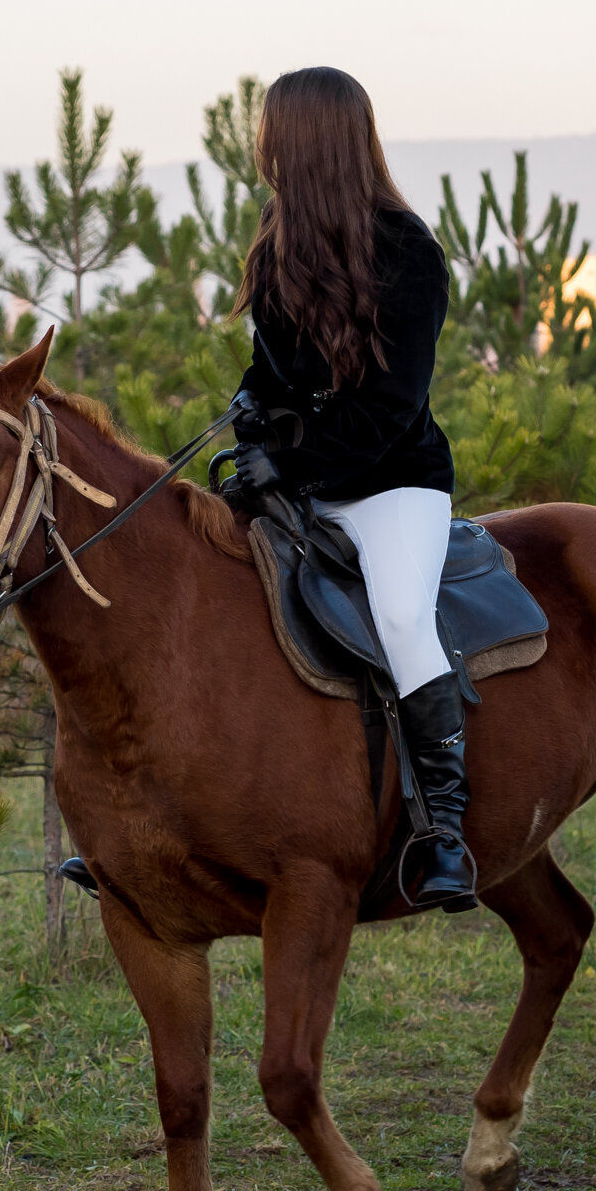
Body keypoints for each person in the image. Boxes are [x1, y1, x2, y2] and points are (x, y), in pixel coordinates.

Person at [219, 66, 475, 914]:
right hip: (304, 481)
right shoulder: (278, 239)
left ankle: (445, 831)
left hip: (392, 485)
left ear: (306, 143)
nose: (262, 148)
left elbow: (389, 412)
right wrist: (250, 407)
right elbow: (270, 369)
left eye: (272, 133)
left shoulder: (410, 254)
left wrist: (290, 468)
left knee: (401, 616)